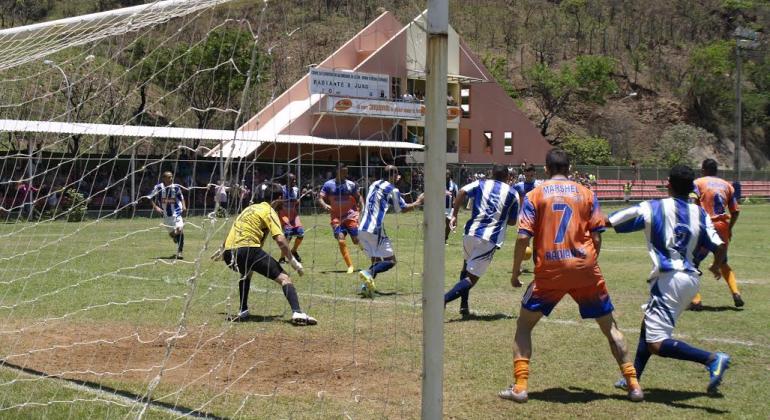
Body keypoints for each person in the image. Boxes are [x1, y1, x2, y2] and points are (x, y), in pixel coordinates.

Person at [499, 149, 643, 403]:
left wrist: (515, 273)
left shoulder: (534, 195)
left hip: (550, 272)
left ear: (546, 169)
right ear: (569, 168)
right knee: (610, 328)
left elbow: (523, 237)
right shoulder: (587, 193)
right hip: (584, 268)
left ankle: (520, 387)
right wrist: (588, 264)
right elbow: (597, 235)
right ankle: (633, 384)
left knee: (524, 325)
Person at [606, 165, 731, 394]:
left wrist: (596, 223)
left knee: (656, 343)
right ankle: (632, 377)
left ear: (668, 184)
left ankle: (712, 359)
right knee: (648, 326)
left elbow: (614, 219)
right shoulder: (700, 212)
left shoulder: (653, 206)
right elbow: (720, 244)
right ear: (691, 188)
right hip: (690, 280)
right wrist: (716, 264)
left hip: (669, 280)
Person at [214, 183, 316, 325]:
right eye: (284, 200)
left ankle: (243, 310)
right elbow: (280, 240)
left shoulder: (249, 209)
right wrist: (293, 262)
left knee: (246, 272)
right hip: (247, 250)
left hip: (229, 254)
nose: (285, 204)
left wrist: (222, 249)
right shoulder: (269, 211)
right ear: (279, 198)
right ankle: (297, 312)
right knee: (285, 278)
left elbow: (235, 228)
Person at [444, 164, 519, 317]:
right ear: (507, 177)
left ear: (492, 173)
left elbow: (462, 191)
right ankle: (443, 299)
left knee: (465, 268)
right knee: (472, 278)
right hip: (488, 238)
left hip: (470, 233)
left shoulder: (480, 183)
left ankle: (464, 306)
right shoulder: (513, 193)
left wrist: (454, 214)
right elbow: (512, 221)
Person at [357, 166, 424, 298]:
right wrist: (418, 202)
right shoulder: (393, 189)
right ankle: (368, 273)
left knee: (376, 260)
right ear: (393, 176)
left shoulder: (374, 184)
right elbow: (402, 209)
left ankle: (366, 287)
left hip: (362, 228)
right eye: (397, 174)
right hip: (375, 229)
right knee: (391, 261)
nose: (398, 177)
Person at [689, 159, 744, 310]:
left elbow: (692, 201)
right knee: (723, 262)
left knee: (692, 263)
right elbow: (735, 210)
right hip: (723, 227)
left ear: (703, 170)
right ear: (716, 171)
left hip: (706, 226)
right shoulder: (727, 185)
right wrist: (730, 228)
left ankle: (696, 300)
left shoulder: (698, 182)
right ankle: (736, 293)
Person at [318, 163, 362, 274]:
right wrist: (324, 205)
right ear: (337, 171)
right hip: (336, 217)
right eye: (344, 171)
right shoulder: (328, 184)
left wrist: (362, 207)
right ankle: (350, 266)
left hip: (351, 216)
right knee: (341, 239)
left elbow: (359, 197)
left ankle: (368, 249)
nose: (346, 173)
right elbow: (320, 198)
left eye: (347, 171)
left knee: (356, 241)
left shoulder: (351, 185)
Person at [148, 171, 186, 259]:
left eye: (171, 177)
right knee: (173, 234)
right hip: (166, 215)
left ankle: (179, 252)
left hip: (176, 212)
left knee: (180, 230)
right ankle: (175, 237)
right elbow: (150, 197)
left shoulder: (176, 187)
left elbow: (181, 197)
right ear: (164, 179)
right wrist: (156, 207)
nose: (171, 179)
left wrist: (184, 206)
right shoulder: (158, 188)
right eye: (169, 177)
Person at [279, 173, 304, 264]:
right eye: (292, 180)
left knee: (301, 234)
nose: (294, 181)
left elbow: (297, 203)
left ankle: (294, 250)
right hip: (284, 214)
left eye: (295, 179)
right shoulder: (281, 189)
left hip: (294, 215)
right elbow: (277, 201)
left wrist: (297, 201)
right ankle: (282, 258)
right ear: (287, 181)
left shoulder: (296, 190)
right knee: (288, 235)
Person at [445, 169, 459, 243]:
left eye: (447, 174)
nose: (446, 176)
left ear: (450, 175)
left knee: (448, 224)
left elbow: (457, 197)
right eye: (445, 174)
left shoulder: (454, 185)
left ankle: (445, 238)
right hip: (440, 207)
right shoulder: (439, 184)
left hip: (450, 208)